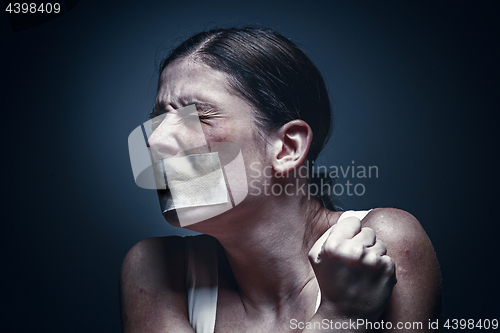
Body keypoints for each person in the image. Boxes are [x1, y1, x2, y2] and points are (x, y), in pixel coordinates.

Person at [120, 27, 442, 332]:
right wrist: (339, 317)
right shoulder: (154, 269)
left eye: (197, 115)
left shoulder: (382, 242)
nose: (155, 140)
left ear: (288, 148)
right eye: (157, 120)